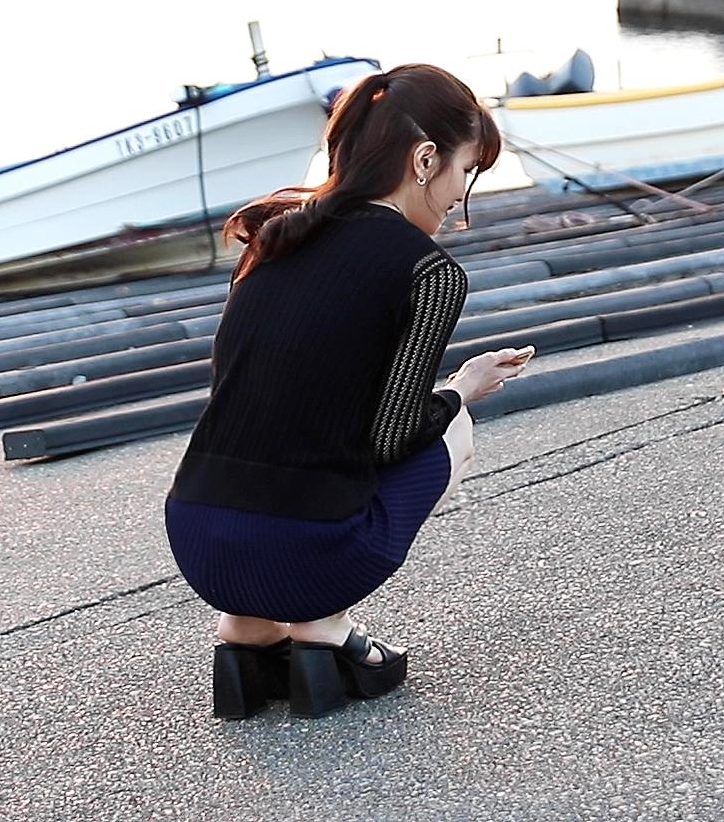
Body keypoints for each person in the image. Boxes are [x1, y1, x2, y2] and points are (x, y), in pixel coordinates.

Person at [164, 63, 533, 719]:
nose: (460, 197)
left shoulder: (275, 237)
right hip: (312, 554)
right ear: (425, 159)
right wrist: (462, 390)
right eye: (466, 171)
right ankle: (324, 625)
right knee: (451, 430)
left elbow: (249, 391)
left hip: (198, 537)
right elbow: (393, 437)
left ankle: (246, 632)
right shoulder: (427, 270)